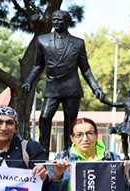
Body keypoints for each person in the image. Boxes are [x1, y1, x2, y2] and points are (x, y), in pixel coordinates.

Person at [22, 9, 105, 153]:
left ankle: (70, 152)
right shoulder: (42, 40)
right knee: (45, 117)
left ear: (68, 22)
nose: (57, 22)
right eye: (54, 19)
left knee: (71, 123)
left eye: (60, 20)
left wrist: (96, 88)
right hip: (52, 86)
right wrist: (29, 81)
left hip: (71, 87)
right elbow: (38, 66)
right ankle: (43, 151)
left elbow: (85, 69)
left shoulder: (78, 43)